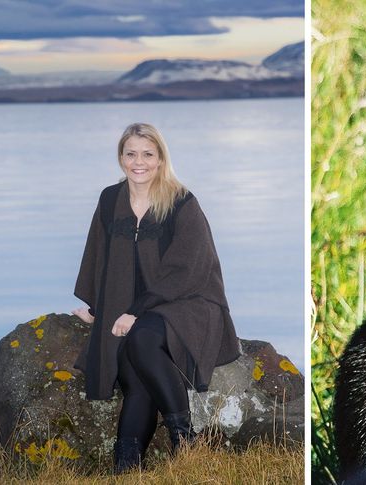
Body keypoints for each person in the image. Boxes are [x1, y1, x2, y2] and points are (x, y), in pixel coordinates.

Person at [71, 122, 240, 473]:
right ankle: (126, 468)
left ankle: (183, 437)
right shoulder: (109, 200)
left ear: (161, 159)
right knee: (135, 378)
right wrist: (100, 311)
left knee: (142, 340)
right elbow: (98, 259)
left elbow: (188, 270)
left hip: (189, 303)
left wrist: (134, 312)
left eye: (148, 154)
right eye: (131, 153)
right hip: (134, 310)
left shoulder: (181, 202)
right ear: (121, 158)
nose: (139, 162)